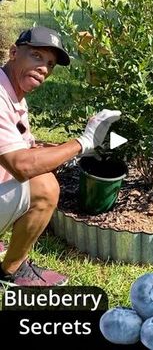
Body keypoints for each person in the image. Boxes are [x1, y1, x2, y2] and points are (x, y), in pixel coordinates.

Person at [0, 26, 121, 286]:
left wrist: (65, 150)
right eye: (36, 56)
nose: (44, 68)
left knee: (43, 168)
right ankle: (12, 270)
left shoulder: (13, 94)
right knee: (43, 186)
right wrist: (83, 142)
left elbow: (25, 148)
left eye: (50, 64)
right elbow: (21, 165)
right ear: (13, 53)